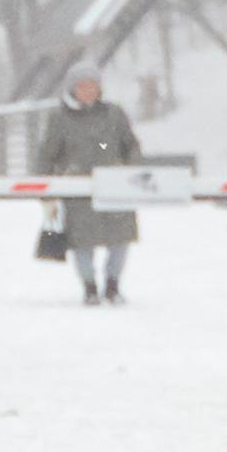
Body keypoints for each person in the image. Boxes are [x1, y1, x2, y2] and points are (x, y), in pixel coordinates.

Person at [34, 68, 142, 304]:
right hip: (77, 189)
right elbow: (47, 154)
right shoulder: (59, 118)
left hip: (115, 187)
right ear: (72, 89)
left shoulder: (114, 114)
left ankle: (113, 285)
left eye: (92, 85)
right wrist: (44, 190)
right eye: (82, 85)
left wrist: (130, 172)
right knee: (82, 241)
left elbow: (131, 145)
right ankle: (90, 287)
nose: (88, 90)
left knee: (120, 238)